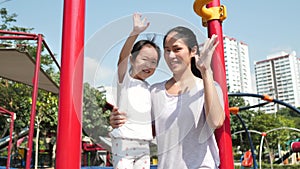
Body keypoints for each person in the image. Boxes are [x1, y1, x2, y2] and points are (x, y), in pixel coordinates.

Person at [111, 26, 225, 169]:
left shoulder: (208, 86)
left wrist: (206, 72)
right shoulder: (154, 91)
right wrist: (117, 120)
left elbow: (216, 121)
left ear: (193, 50)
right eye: (167, 50)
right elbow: (144, 125)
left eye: (177, 49)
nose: (171, 55)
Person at [109, 13, 161, 169]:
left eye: (154, 62)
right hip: (124, 140)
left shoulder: (149, 88)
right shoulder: (124, 80)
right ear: (132, 59)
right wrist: (135, 33)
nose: (149, 65)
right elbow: (122, 57)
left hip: (144, 142)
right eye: (144, 59)